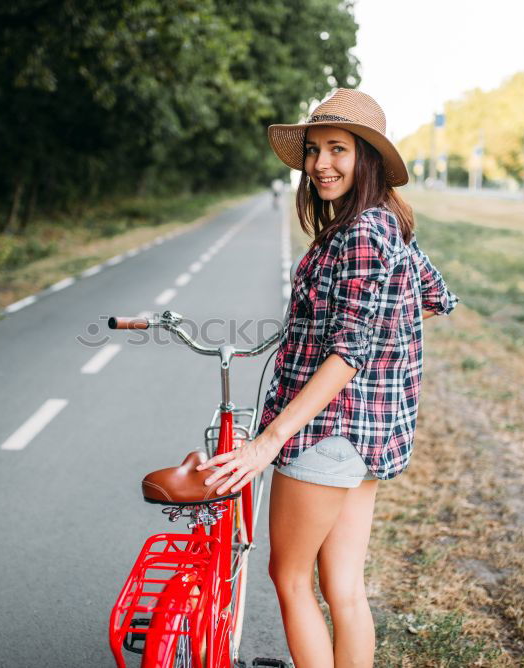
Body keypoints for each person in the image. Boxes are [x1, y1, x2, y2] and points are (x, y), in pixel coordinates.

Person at [197, 88, 459, 667]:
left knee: (288, 577)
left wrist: (269, 442)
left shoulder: (362, 232)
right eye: (314, 150)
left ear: (365, 156)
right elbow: (437, 297)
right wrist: (375, 327)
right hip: (368, 436)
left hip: (327, 432)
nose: (321, 164)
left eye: (337, 149)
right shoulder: (387, 225)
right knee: (342, 587)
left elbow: (346, 353)